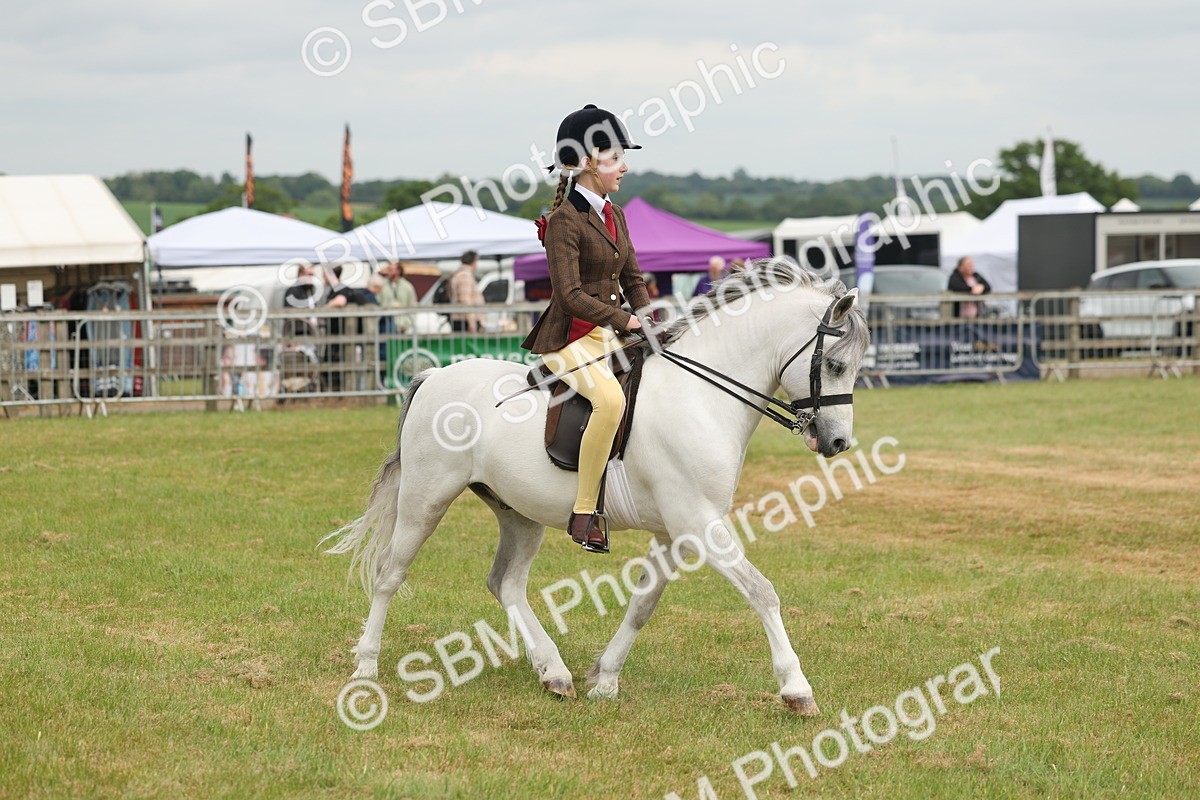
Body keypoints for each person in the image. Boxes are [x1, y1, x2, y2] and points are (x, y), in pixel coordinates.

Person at [522, 103, 651, 554]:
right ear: (589, 161)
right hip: (571, 335)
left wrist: (649, 318)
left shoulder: (616, 214)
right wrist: (625, 320)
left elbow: (633, 278)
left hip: (611, 333)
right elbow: (570, 295)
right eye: (616, 156)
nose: (625, 165)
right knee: (610, 398)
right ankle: (584, 512)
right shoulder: (563, 221)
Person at [448, 250, 484, 333]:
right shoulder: (465, 276)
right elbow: (465, 300)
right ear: (474, 261)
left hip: (462, 318)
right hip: (465, 320)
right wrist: (471, 321)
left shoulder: (459, 274)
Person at [379, 262, 418, 333]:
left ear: (398, 271)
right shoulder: (382, 285)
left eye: (391, 270)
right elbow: (378, 303)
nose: (388, 272)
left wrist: (407, 324)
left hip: (404, 326)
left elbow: (413, 306)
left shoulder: (407, 287)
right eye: (388, 269)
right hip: (385, 325)